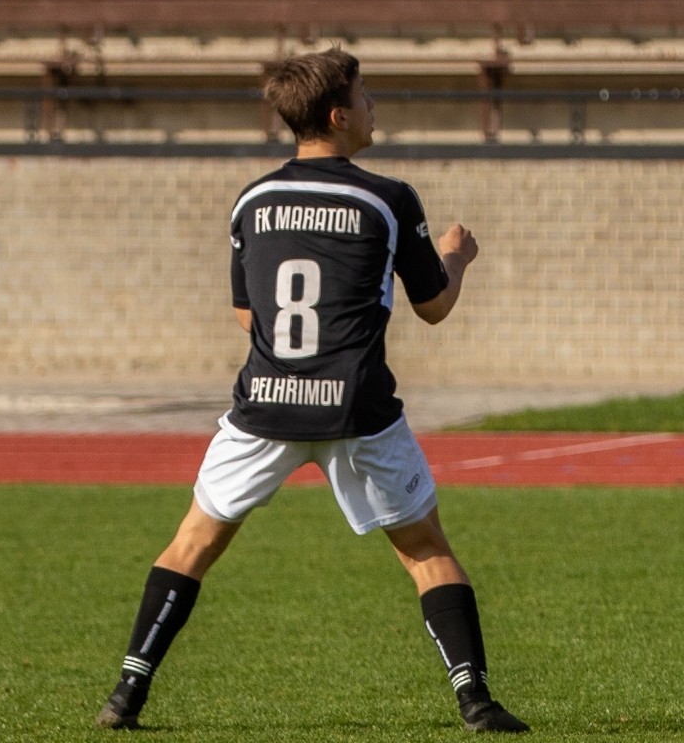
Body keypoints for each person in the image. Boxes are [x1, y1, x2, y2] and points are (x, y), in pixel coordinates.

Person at [94, 49, 528, 734]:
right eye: (365, 94)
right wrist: (457, 256)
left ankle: (126, 693)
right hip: (357, 407)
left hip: (265, 405)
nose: (373, 105)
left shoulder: (252, 200)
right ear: (338, 116)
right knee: (425, 549)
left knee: (192, 544)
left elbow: (248, 316)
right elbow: (434, 306)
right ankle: (476, 700)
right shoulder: (388, 199)